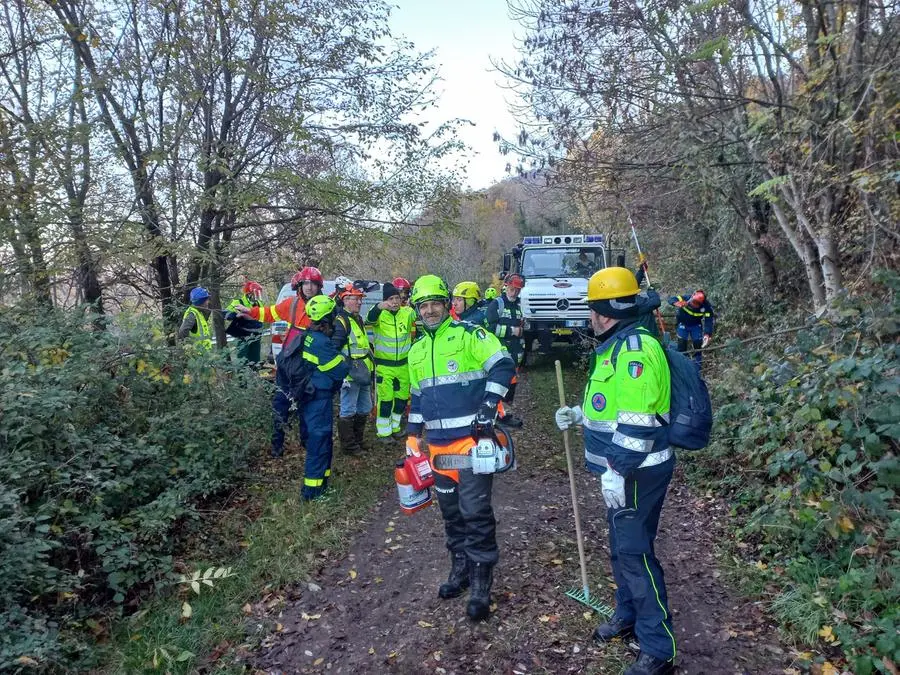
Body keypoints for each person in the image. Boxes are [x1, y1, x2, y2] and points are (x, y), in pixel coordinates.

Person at [554, 267, 676, 675]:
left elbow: (638, 424)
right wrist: (578, 416)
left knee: (634, 554)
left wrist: (618, 471)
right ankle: (628, 615)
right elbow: (612, 406)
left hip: (636, 473)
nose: (590, 317)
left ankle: (658, 649)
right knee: (622, 547)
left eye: (592, 310)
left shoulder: (635, 350)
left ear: (604, 314)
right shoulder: (617, 346)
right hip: (623, 473)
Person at [406, 275, 515, 621]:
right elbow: (418, 396)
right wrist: (412, 435)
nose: (430, 310)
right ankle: (461, 571)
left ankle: (482, 584)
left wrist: (488, 406)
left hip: (472, 445)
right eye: (423, 305)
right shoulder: (416, 350)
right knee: (451, 514)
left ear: (447, 303)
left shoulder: (470, 334)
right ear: (417, 310)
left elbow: (503, 364)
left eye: (435, 302)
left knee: (475, 512)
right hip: (438, 450)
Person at [236, 266, 324, 458]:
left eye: (313, 284)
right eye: (305, 283)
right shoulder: (291, 304)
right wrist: (249, 312)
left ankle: (306, 442)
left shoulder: (325, 308)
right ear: (300, 285)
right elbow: (270, 313)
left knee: (306, 405)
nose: (309, 287)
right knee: (280, 404)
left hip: (309, 366)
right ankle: (277, 445)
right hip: (287, 364)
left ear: (319, 286)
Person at [275, 295, 349, 501]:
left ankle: (322, 485)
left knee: (322, 441)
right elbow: (340, 370)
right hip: (318, 399)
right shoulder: (321, 342)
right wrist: (344, 359)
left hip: (310, 397)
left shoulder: (308, 335)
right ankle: (313, 493)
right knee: (319, 443)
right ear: (329, 317)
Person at [366, 281, 416, 441]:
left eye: (397, 298)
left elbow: (421, 317)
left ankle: (395, 427)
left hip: (403, 365)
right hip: (384, 366)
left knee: (401, 399)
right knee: (386, 400)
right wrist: (379, 307)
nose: (395, 302)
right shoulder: (379, 314)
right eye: (391, 299)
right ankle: (384, 432)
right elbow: (369, 319)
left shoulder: (407, 313)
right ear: (385, 300)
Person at [332, 282, 374, 454]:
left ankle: (358, 441)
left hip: (363, 371)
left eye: (359, 299)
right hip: (350, 374)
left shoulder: (357, 318)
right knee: (348, 409)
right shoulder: (341, 322)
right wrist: (340, 375)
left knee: (365, 408)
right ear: (345, 300)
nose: (359, 302)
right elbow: (334, 348)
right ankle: (349, 446)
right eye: (355, 299)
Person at [485, 273, 526, 428]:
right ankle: (498, 414)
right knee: (499, 384)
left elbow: (523, 327)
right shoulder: (497, 304)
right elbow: (489, 328)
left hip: (516, 354)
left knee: (511, 385)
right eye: (512, 288)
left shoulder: (519, 305)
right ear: (506, 286)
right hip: (500, 353)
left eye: (517, 289)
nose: (514, 292)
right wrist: (512, 331)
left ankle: (503, 413)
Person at [668, 289, 715, 367]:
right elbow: (671, 299)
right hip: (683, 324)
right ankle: (682, 364)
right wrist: (676, 303)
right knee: (682, 344)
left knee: (697, 344)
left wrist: (707, 334)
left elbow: (708, 321)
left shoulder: (706, 307)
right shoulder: (686, 298)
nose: (693, 305)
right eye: (693, 302)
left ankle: (698, 365)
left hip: (696, 325)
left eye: (696, 304)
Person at [225, 281, 265, 363]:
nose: (257, 296)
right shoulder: (238, 302)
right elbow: (226, 313)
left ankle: (254, 374)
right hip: (243, 336)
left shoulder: (259, 303)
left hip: (256, 336)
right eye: (256, 294)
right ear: (249, 294)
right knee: (242, 360)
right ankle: (242, 375)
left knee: (255, 360)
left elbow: (263, 315)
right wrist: (234, 314)